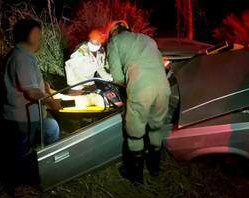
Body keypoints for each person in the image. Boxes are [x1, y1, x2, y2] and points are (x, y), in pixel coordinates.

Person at [106, 21, 171, 185]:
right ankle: (155, 168)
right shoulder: (148, 39)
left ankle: (135, 175)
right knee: (156, 127)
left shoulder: (114, 42)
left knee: (135, 133)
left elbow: (118, 77)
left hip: (141, 88)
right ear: (129, 29)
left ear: (113, 33)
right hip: (163, 86)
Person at [2, 19, 62, 192]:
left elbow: (32, 85)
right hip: (22, 117)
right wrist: (51, 101)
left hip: (30, 116)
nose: (41, 38)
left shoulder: (23, 56)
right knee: (19, 155)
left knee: (51, 128)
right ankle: (17, 187)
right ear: (30, 35)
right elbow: (31, 92)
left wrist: (45, 88)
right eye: (38, 34)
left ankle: (40, 172)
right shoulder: (22, 58)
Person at [65, 29, 113, 94]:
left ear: (100, 43)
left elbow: (99, 68)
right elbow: (71, 68)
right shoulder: (80, 52)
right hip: (76, 86)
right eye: (91, 42)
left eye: (96, 43)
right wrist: (77, 87)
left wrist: (109, 78)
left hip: (90, 83)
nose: (92, 44)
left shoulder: (100, 53)